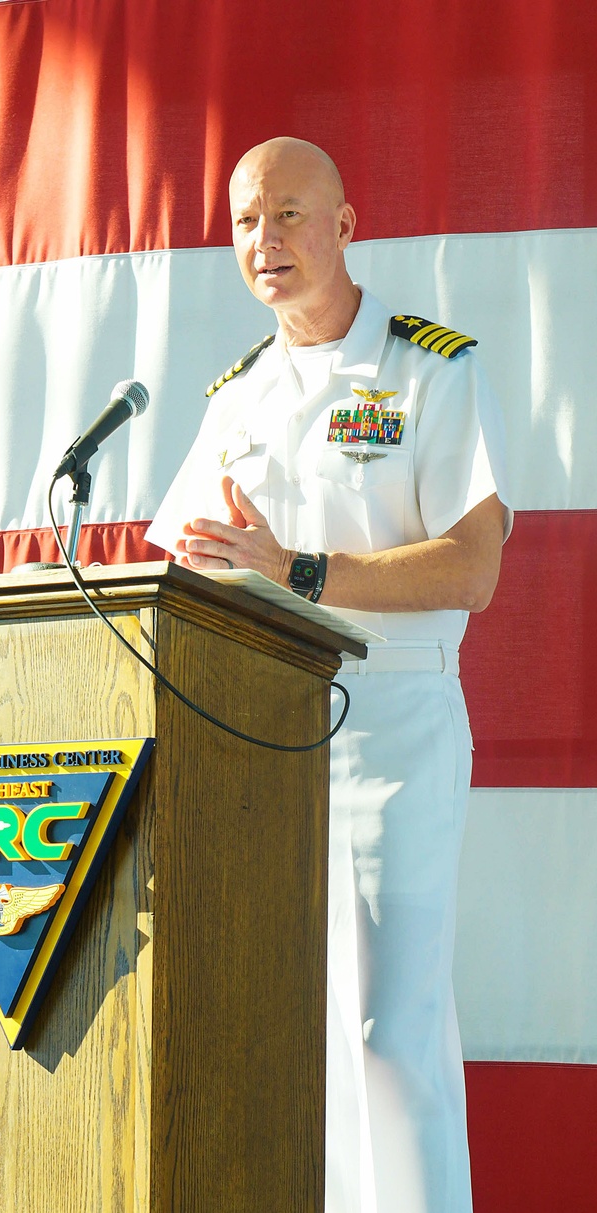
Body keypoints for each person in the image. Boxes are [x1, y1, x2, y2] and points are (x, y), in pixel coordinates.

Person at [145, 137, 512, 1213]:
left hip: (392, 720)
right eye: (248, 221)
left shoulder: (427, 365)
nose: (267, 240)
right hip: (255, 730)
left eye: (290, 215)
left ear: (347, 225)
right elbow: (185, 560)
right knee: (284, 1022)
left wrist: (299, 570)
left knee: (385, 1028)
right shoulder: (238, 394)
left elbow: (473, 567)